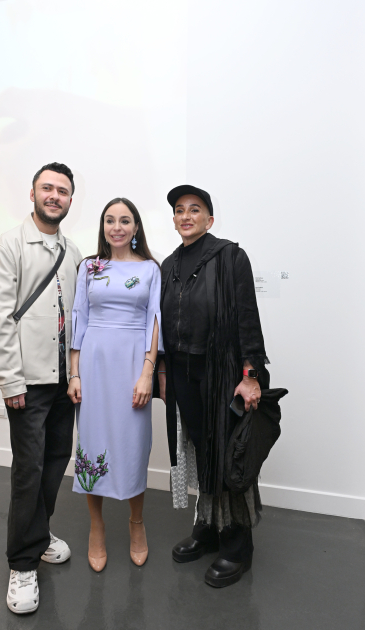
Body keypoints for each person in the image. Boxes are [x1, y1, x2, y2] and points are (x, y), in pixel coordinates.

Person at [0, 162, 82, 614]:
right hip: (27, 382)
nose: (54, 196)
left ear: (70, 199)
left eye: (62, 190)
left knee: (56, 460)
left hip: (63, 382)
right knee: (29, 469)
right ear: (33, 193)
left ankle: (38, 535)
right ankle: (22, 563)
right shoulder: (8, 245)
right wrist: (9, 380)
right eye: (47, 188)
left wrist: (77, 374)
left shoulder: (73, 252)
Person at [158, 184, 269, 588]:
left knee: (226, 455)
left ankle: (238, 546)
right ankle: (207, 527)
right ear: (174, 220)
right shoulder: (168, 264)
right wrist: (164, 374)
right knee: (200, 452)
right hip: (183, 374)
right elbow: (161, 325)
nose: (186, 216)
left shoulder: (230, 256)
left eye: (195, 209)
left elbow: (247, 318)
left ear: (209, 219)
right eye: (179, 210)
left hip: (221, 373)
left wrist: (250, 376)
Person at [67, 198, 162, 572]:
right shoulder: (89, 267)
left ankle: (137, 523)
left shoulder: (151, 269)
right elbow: (79, 318)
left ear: (136, 227)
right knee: (93, 442)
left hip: (132, 363)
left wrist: (147, 372)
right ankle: (97, 526)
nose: (117, 227)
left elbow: (154, 320)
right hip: (94, 364)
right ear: (103, 226)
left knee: (132, 443)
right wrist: (75, 373)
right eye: (110, 220)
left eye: (125, 220)